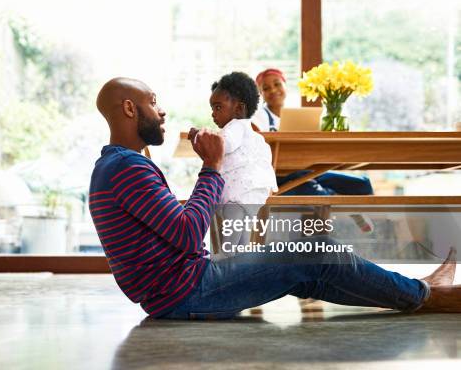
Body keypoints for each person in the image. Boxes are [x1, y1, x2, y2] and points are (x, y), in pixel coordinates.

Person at [89, 76, 460, 320]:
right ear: (129, 109)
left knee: (310, 268)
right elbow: (188, 233)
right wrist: (213, 167)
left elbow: (174, 226)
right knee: (306, 248)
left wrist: (209, 182)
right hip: (186, 292)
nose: (162, 110)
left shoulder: (118, 166)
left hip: (176, 291)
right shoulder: (127, 168)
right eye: (153, 103)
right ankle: (427, 295)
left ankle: (415, 293)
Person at [189, 72, 277, 258]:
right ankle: (239, 268)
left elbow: (222, 145)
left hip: (238, 194)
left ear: (238, 109)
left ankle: (222, 261)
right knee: (242, 236)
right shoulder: (249, 131)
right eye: (212, 108)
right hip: (251, 193)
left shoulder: (236, 127)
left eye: (218, 107)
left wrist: (198, 135)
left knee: (230, 234)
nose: (213, 113)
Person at [253, 68, 374, 198]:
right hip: (279, 175)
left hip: (305, 170)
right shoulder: (259, 117)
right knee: (317, 192)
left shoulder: (299, 116)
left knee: (362, 184)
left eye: (277, 84)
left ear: (285, 85)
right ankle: (336, 206)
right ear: (261, 93)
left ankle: (367, 217)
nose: (273, 90)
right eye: (266, 88)